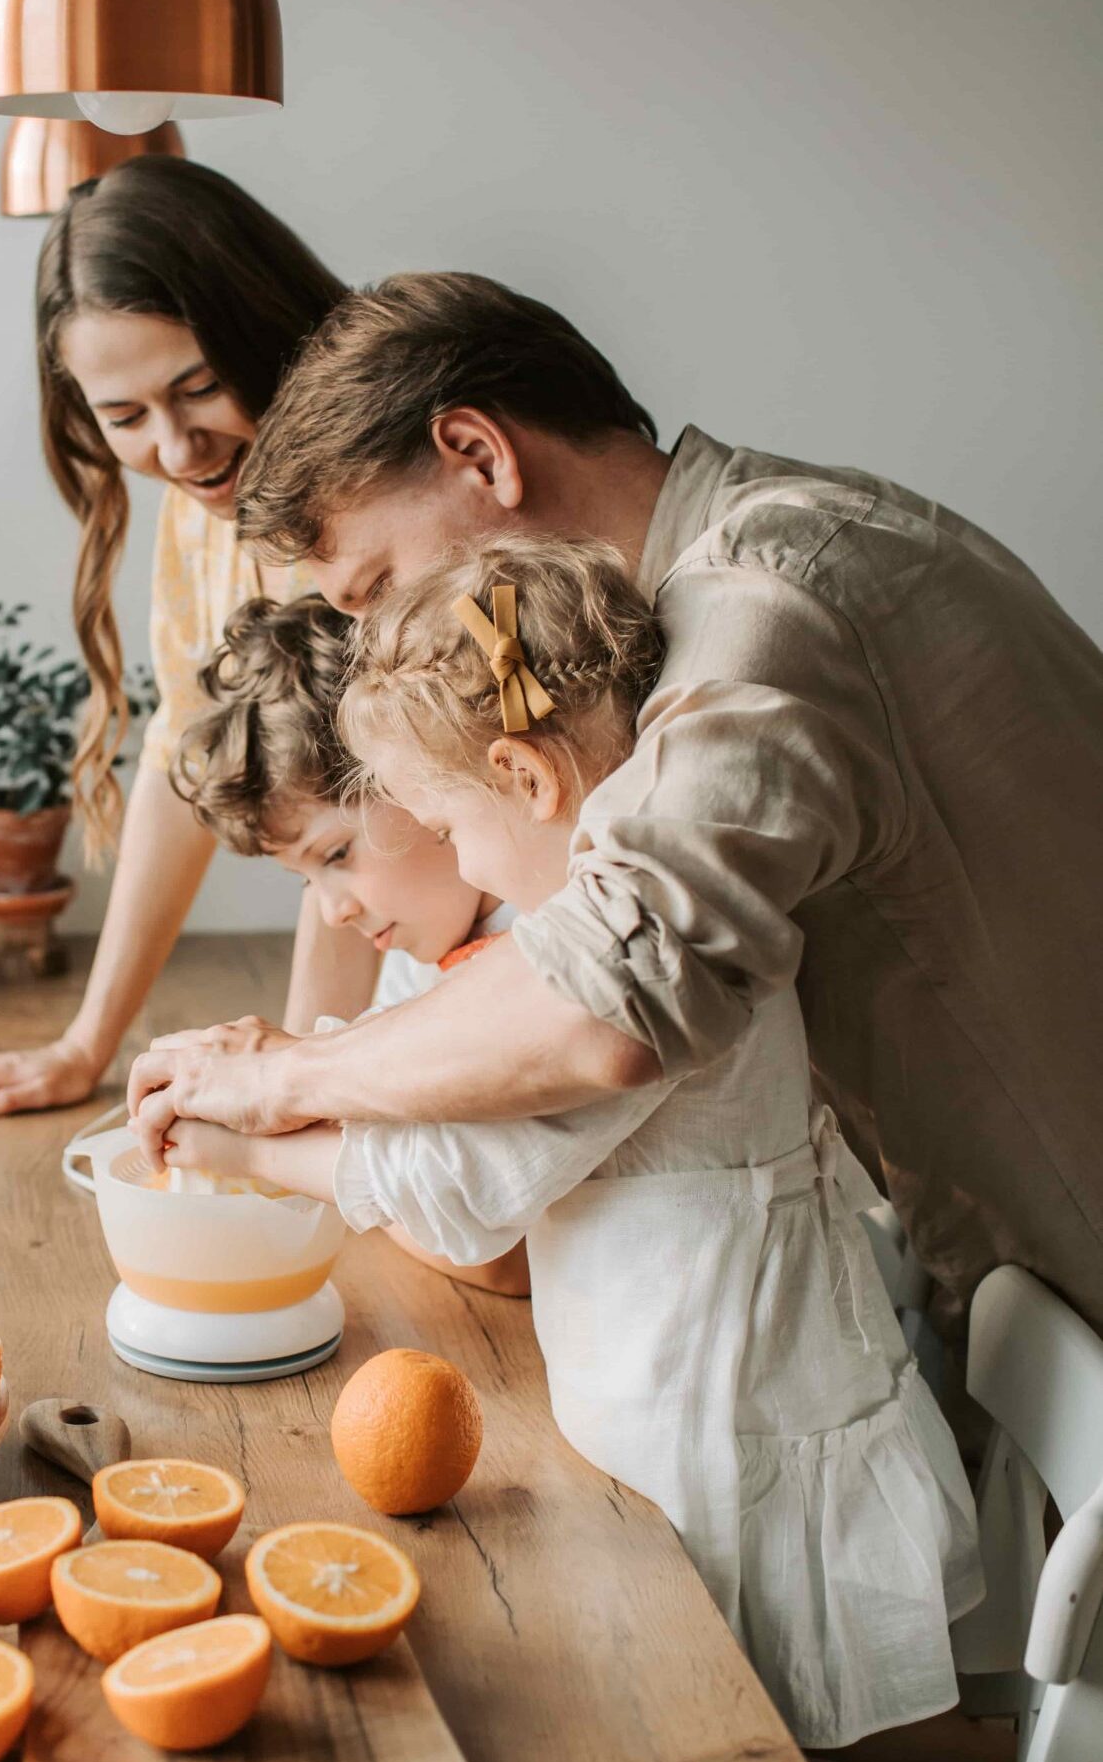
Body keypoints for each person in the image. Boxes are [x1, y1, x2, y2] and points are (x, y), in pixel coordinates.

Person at [167, 541, 1008, 1762]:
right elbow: (431, 1114)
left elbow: (457, 1194)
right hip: (693, 1391)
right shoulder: (531, 915)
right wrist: (280, 1089)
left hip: (723, 1411)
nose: (422, 866)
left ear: (513, 780)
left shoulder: (591, 959)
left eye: (419, 829)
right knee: (817, 1723)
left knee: (701, 1758)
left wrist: (242, 1143)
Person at [128, 270, 1103, 1331]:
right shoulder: (710, 591)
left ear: (479, 454)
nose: (376, 647)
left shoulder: (769, 599)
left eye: (374, 588)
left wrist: (287, 1076)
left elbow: (608, 994)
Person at [0, 158, 379, 1122]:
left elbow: (368, 806)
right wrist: (84, 1044)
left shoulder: (373, 485)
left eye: (198, 387)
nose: (179, 449)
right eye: (124, 417)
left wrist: (302, 1086)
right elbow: (183, 751)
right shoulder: (207, 503)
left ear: (262, 324)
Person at [169, 590, 526, 1294]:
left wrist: (255, 1151)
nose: (332, 913)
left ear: (419, 773)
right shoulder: (417, 953)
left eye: (333, 855)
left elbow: (498, 1256)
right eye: (305, 880)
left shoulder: (545, 929)